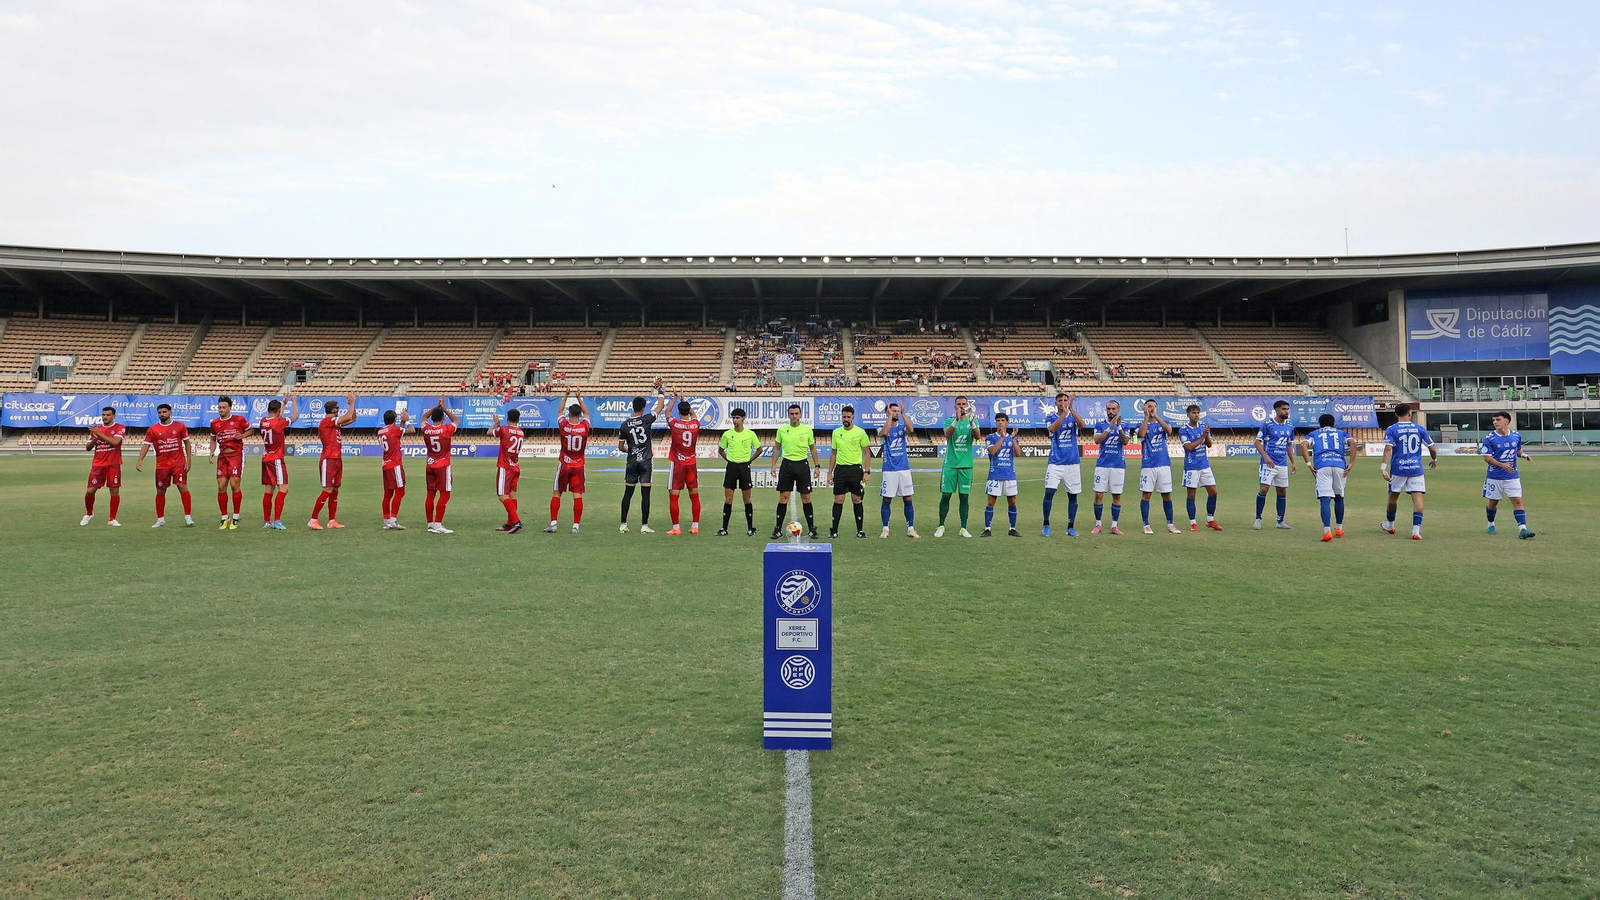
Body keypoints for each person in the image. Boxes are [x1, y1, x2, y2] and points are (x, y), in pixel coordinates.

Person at [1380, 402, 1436, 539]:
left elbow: (1388, 449)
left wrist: (1383, 467)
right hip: (1416, 469)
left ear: (1395, 414)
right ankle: (1416, 531)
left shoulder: (1391, 429)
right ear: (1410, 413)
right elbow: (1432, 448)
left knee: (1393, 497)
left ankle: (1390, 525)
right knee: (1418, 499)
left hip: (1398, 469)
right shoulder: (1419, 428)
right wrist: (1434, 459)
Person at [135, 402, 195, 527]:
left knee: (182, 487)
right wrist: (140, 460)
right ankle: (160, 519)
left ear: (170, 412)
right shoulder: (153, 429)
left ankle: (188, 517)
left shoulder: (180, 426)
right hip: (162, 465)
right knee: (160, 491)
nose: (162, 414)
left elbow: (187, 444)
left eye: (164, 412)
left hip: (178, 464)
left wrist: (188, 461)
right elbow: (146, 445)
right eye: (160, 412)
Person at [618, 394, 668, 533]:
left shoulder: (624, 425)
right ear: (643, 408)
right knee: (645, 495)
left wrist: (631, 450)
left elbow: (621, 447)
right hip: (646, 461)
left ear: (633, 407)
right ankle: (644, 526)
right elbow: (660, 406)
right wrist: (660, 393)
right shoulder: (646, 419)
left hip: (632, 462)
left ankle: (623, 524)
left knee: (628, 493)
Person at [934, 396, 983, 538]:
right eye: (958, 404)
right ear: (955, 406)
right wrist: (956, 419)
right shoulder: (949, 420)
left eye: (964, 404)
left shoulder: (973, 421)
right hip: (950, 465)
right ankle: (941, 525)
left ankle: (963, 527)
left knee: (964, 497)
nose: (961, 406)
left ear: (968, 406)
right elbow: (947, 434)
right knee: (946, 495)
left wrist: (972, 422)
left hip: (966, 466)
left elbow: (978, 437)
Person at [1481, 410, 1534, 538]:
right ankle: (1490, 523)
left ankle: (1523, 529)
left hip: (1512, 476)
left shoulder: (1516, 436)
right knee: (1493, 502)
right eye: (1493, 420)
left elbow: (1517, 450)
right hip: (1495, 477)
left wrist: (1524, 455)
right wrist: (1502, 465)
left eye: (1498, 420)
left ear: (1507, 421)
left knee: (1517, 500)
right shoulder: (1490, 438)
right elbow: (1487, 458)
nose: (1495, 422)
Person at [307, 394, 358, 530]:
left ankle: (332, 520)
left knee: (335, 490)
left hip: (336, 459)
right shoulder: (326, 421)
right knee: (328, 489)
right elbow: (347, 417)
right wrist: (351, 404)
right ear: (334, 410)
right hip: (328, 459)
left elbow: (353, 418)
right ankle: (313, 519)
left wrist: (353, 405)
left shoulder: (334, 423)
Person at [771, 403, 820, 539]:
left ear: (800, 414)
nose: (794, 416)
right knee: (783, 497)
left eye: (796, 414)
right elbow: (776, 449)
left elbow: (813, 449)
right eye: (792, 414)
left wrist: (817, 466)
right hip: (787, 465)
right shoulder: (782, 430)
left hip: (802, 465)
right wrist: (773, 465)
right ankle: (778, 529)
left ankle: (811, 528)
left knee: (806, 498)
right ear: (788, 415)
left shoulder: (807, 430)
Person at [1301, 413, 1353, 542]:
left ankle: (1327, 531)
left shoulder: (1314, 434)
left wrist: (1308, 464)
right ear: (1334, 423)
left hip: (1322, 466)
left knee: (1325, 498)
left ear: (1319, 424)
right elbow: (1352, 443)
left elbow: (1303, 445)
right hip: (1340, 465)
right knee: (1339, 496)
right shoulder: (1342, 433)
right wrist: (1351, 463)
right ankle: (1339, 528)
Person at [1041, 393, 1084, 537]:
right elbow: (1052, 429)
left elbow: (1083, 425)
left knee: (1072, 496)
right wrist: (1063, 415)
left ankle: (1070, 527)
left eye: (1066, 400)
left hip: (1072, 463)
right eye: (1060, 400)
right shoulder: (1051, 417)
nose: (1063, 402)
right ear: (1056, 403)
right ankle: (1046, 524)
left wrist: (1071, 410)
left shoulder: (1073, 417)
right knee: (1049, 493)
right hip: (1055, 462)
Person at [548, 393, 591, 533]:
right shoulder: (584, 426)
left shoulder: (564, 425)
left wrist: (565, 396)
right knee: (577, 495)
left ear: (569, 413)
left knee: (557, 493)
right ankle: (575, 526)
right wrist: (579, 397)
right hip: (578, 465)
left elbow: (559, 411)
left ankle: (553, 523)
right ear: (579, 415)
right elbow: (587, 413)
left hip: (565, 464)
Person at [1091, 400, 1136, 535]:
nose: (1111, 412)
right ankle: (1098, 524)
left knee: (1116, 495)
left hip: (1118, 465)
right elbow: (1097, 440)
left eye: (1113, 409)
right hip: (1102, 465)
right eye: (1109, 409)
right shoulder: (1100, 424)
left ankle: (1114, 526)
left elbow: (1126, 441)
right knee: (1098, 494)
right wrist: (1110, 427)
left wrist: (1119, 427)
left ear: (1118, 410)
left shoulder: (1125, 425)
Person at [827, 404, 871, 539]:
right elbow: (833, 454)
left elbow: (867, 454)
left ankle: (860, 530)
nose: (846, 419)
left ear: (853, 417)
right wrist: (830, 472)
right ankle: (834, 531)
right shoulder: (836, 432)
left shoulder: (860, 432)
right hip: (840, 469)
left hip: (856, 470)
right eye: (844, 416)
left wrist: (867, 471)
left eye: (848, 417)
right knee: (838, 500)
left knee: (857, 500)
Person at [1136, 399, 1181, 534]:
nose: (1152, 408)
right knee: (1146, 495)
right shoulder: (1140, 424)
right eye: (1149, 406)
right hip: (1148, 465)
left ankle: (1170, 524)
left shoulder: (1163, 423)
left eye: (1154, 406)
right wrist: (1146, 417)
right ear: (1144, 409)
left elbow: (1169, 431)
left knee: (1167, 495)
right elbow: (1142, 434)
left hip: (1163, 464)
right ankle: (1146, 524)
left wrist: (1156, 417)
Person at [717, 407, 762, 536]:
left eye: (737, 418)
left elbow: (759, 449)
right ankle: (724, 528)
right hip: (731, 467)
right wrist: (729, 460)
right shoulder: (727, 434)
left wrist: (749, 460)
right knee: (728, 499)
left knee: (747, 499)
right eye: (733, 418)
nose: (735, 420)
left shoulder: (750, 434)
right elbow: (721, 450)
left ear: (743, 418)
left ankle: (750, 528)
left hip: (744, 468)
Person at [876, 402, 919, 539]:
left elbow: (911, 429)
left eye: (897, 411)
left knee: (907, 498)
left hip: (904, 469)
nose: (896, 413)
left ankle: (910, 528)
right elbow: (885, 432)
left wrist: (904, 413)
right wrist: (889, 417)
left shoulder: (902, 428)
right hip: (889, 469)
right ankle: (885, 528)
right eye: (893, 411)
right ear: (887, 413)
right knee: (887, 498)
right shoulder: (880, 428)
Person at [1253, 399, 1297, 530]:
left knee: (1282, 491)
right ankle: (1258, 519)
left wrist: (1293, 462)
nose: (1286, 411)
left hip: (1282, 464)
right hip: (1268, 463)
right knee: (1264, 489)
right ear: (1276, 410)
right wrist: (1265, 457)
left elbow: (1289, 445)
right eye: (1284, 409)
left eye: (1287, 409)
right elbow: (1257, 442)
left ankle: (1280, 521)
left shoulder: (1290, 426)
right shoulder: (1267, 425)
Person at [208, 395, 251, 530]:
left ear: (229, 408)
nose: (221, 409)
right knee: (221, 486)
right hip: (223, 457)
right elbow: (213, 439)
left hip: (236, 455)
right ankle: (224, 517)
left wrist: (242, 435)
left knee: (234, 484)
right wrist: (211, 452)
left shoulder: (239, 419)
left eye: (224, 407)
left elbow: (251, 430)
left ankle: (236, 517)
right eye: (219, 407)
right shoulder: (214, 423)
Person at [257, 396, 298, 530]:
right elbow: (295, 416)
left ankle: (266, 521)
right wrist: (294, 402)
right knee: (284, 489)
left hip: (265, 458)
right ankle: (277, 520)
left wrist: (283, 405)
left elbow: (277, 417)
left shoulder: (263, 421)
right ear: (279, 411)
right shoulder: (279, 422)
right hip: (276, 459)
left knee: (269, 490)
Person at [1178, 405, 1221, 532]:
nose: (1196, 415)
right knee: (1191, 495)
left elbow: (1209, 445)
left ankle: (1210, 520)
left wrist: (1206, 435)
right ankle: (1193, 522)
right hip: (1191, 466)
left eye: (1198, 413)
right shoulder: (1183, 430)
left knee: (1213, 492)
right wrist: (1202, 436)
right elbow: (1189, 447)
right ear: (1188, 415)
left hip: (1204, 465)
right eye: (1193, 413)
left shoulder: (1203, 426)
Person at [421, 397, 460, 534]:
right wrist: (444, 409)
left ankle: (430, 524)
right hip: (443, 465)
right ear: (443, 418)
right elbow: (456, 421)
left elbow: (423, 417)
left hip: (430, 464)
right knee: (445, 494)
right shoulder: (446, 429)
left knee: (430, 494)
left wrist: (435, 408)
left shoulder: (426, 429)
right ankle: (438, 524)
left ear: (432, 418)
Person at [665, 393, 703, 535]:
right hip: (691, 463)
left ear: (679, 412)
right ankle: (695, 526)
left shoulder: (675, 424)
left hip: (678, 463)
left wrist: (674, 399)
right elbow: (694, 415)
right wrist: (684, 400)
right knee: (694, 494)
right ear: (689, 411)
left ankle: (676, 528)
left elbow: (667, 412)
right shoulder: (695, 424)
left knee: (674, 494)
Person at [82, 406, 125, 527]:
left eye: (108, 415)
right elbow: (88, 448)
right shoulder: (96, 429)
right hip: (98, 464)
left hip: (113, 464)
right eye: (104, 415)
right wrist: (95, 438)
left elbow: (115, 442)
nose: (105, 417)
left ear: (114, 416)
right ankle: (89, 514)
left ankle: (112, 519)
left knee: (114, 491)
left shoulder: (119, 428)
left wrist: (99, 433)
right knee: (90, 491)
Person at [982, 412, 1021, 537]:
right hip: (995, 475)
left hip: (1010, 475)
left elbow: (1018, 453)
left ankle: (1012, 528)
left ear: (1007, 423)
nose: (1000, 422)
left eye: (1002, 420)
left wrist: (1013, 438)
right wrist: (1003, 438)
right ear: (995, 423)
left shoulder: (1012, 437)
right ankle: (987, 529)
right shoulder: (990, 437)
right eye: (998, 420)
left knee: (1012, 502)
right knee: (991, 502)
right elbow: (992, 451)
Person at [490, 407, 525, 533]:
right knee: (512, 495)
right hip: (515, 466)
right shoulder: (521, 432)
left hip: (505, 466)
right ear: (518, 419)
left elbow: (489, 433)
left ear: (507, 418)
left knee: (502, 495)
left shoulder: (504, 429)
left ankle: (516, 521)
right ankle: (510, 523)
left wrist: (496, 423)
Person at [377, 407, 411, 530]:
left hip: (385, 464)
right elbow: (411, 430)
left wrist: (401, 423)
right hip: (394, 464)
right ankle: (393, 520)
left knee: (388, 493)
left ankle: (386, 521)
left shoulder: (381, 431)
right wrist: (407, 421)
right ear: (394, 420)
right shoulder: (394, 430)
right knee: (400, 491)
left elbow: (397, 433)